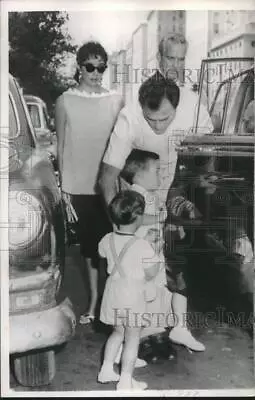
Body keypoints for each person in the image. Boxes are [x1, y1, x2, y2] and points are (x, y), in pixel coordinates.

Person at [98, 33, 213, 350]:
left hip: (171, 191)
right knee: (137, 276)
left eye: (180, 59)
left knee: (175, 262)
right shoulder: (131, 109)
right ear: (159, 59)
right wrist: (121, 224)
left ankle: (179, 326)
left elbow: (207, 156)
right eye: (169, 58)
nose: (159, 126)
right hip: (136, 198)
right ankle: (128, 344)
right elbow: (107, 178)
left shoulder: (192, 102)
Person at [55, 41, 124, 325]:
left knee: (115, 243)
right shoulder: (64, 101)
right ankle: (95, 301)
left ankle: (113, 303)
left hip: (109, 185)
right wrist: (63, 190)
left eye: (101, 67)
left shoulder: (116, 100)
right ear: (80, 68)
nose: (96, 73)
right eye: (90, 67)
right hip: (80, 186)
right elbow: (60, 147)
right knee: (89, 248)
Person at [120, 149, 204, 351]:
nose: (162, 175)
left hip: (156, 253)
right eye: (157, 170)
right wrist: (162, 220)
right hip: (142, 258)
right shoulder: (133, 197)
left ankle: (175, 329)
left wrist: (171, 227)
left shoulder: (149, 196)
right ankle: (130, 345)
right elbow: (134, 221)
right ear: (139, 174)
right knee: (147, 298)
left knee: (171, 286)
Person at [97, 190, 161, 390]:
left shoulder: (107, 239)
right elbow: (151, 273)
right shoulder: (142, 245)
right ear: (139, 217)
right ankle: (126, 380)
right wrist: (155, 250)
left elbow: (101, 253)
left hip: (113, 293)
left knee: (117, 332)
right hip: (132, 296)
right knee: (132, 338)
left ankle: (106, 370)